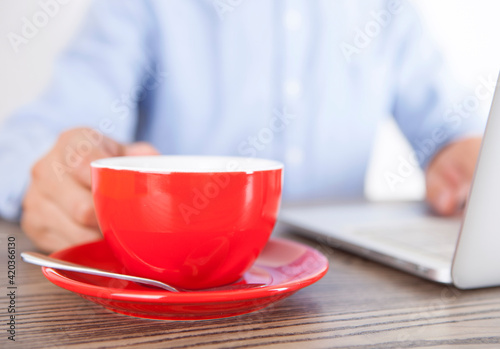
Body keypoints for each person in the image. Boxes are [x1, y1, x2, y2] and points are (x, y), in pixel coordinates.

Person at [0, 0, 485, 253]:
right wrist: (51, 178)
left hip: (341, 293)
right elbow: (39, 138)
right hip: (181, 301)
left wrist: (459, 159)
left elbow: (450, 131)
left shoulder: (386, 8)